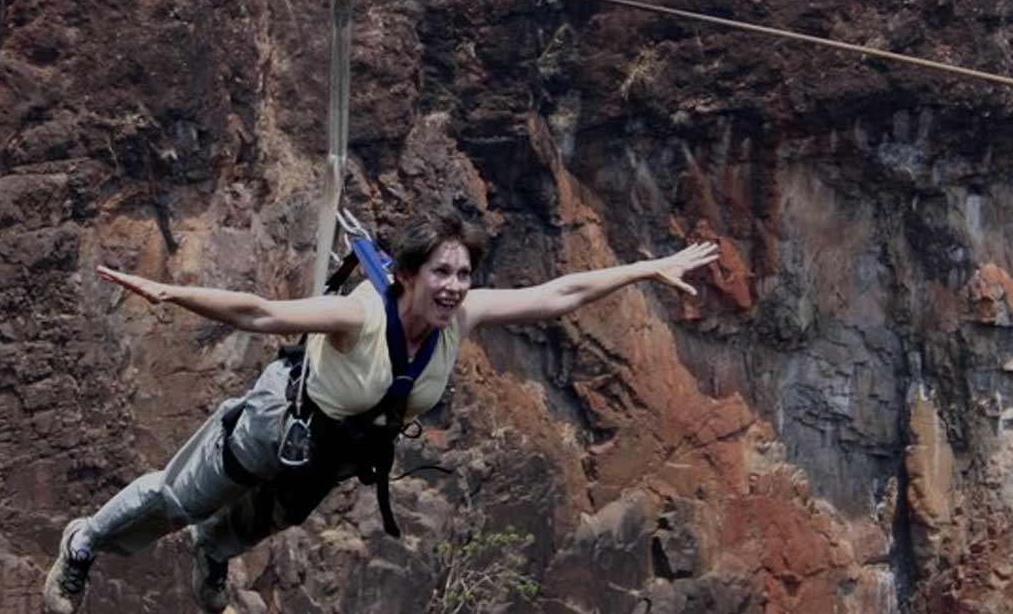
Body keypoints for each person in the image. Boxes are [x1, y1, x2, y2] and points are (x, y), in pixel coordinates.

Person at [42, 212, 718, 613]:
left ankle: (211, 558)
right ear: (408, 276)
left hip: (333, 454)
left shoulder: (465, 317)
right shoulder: (357, 316)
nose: (454, 288)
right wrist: (167, 293)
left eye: (462, 274)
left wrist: (646, 267)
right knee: (180, 499)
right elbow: (261, 312)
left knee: (248, 527)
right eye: (441, 274)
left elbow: (560, 293)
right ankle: (85, 542)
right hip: (277, 425)